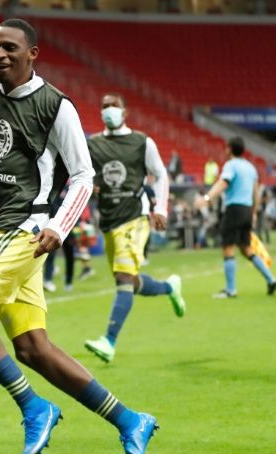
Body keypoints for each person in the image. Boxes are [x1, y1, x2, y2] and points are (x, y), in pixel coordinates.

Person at [0, 18, 157, 454]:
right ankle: (130, 420)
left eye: (10, 48)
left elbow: (82, 175)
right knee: (33, 349)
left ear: (32, 53)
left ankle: (33, 407)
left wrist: (60, 225)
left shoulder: (55, 105)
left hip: (23, 230)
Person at [83, 92, 186, 363]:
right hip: (108, 219)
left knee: (123, 278)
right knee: (130, 280)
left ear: (124, 112)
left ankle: (109, 341)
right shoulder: (93, 144)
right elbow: (86, 176)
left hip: (135, 216)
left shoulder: (141, 142)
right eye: (104, 106)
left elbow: (161, 173)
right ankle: (169, 288)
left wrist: (160, 208)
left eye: (113, 106)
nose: (109, 110)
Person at [195, 137, 276, 298]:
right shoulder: (250, 167)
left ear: (229, 149)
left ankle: (231, 290)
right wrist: (253, 213)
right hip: (247, 210)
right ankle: (271, 279)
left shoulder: (230, 165)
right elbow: (255, 193)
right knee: (247, 249)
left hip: (234, 209)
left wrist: (206, 198)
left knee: (228, 248)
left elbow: (223, 183)